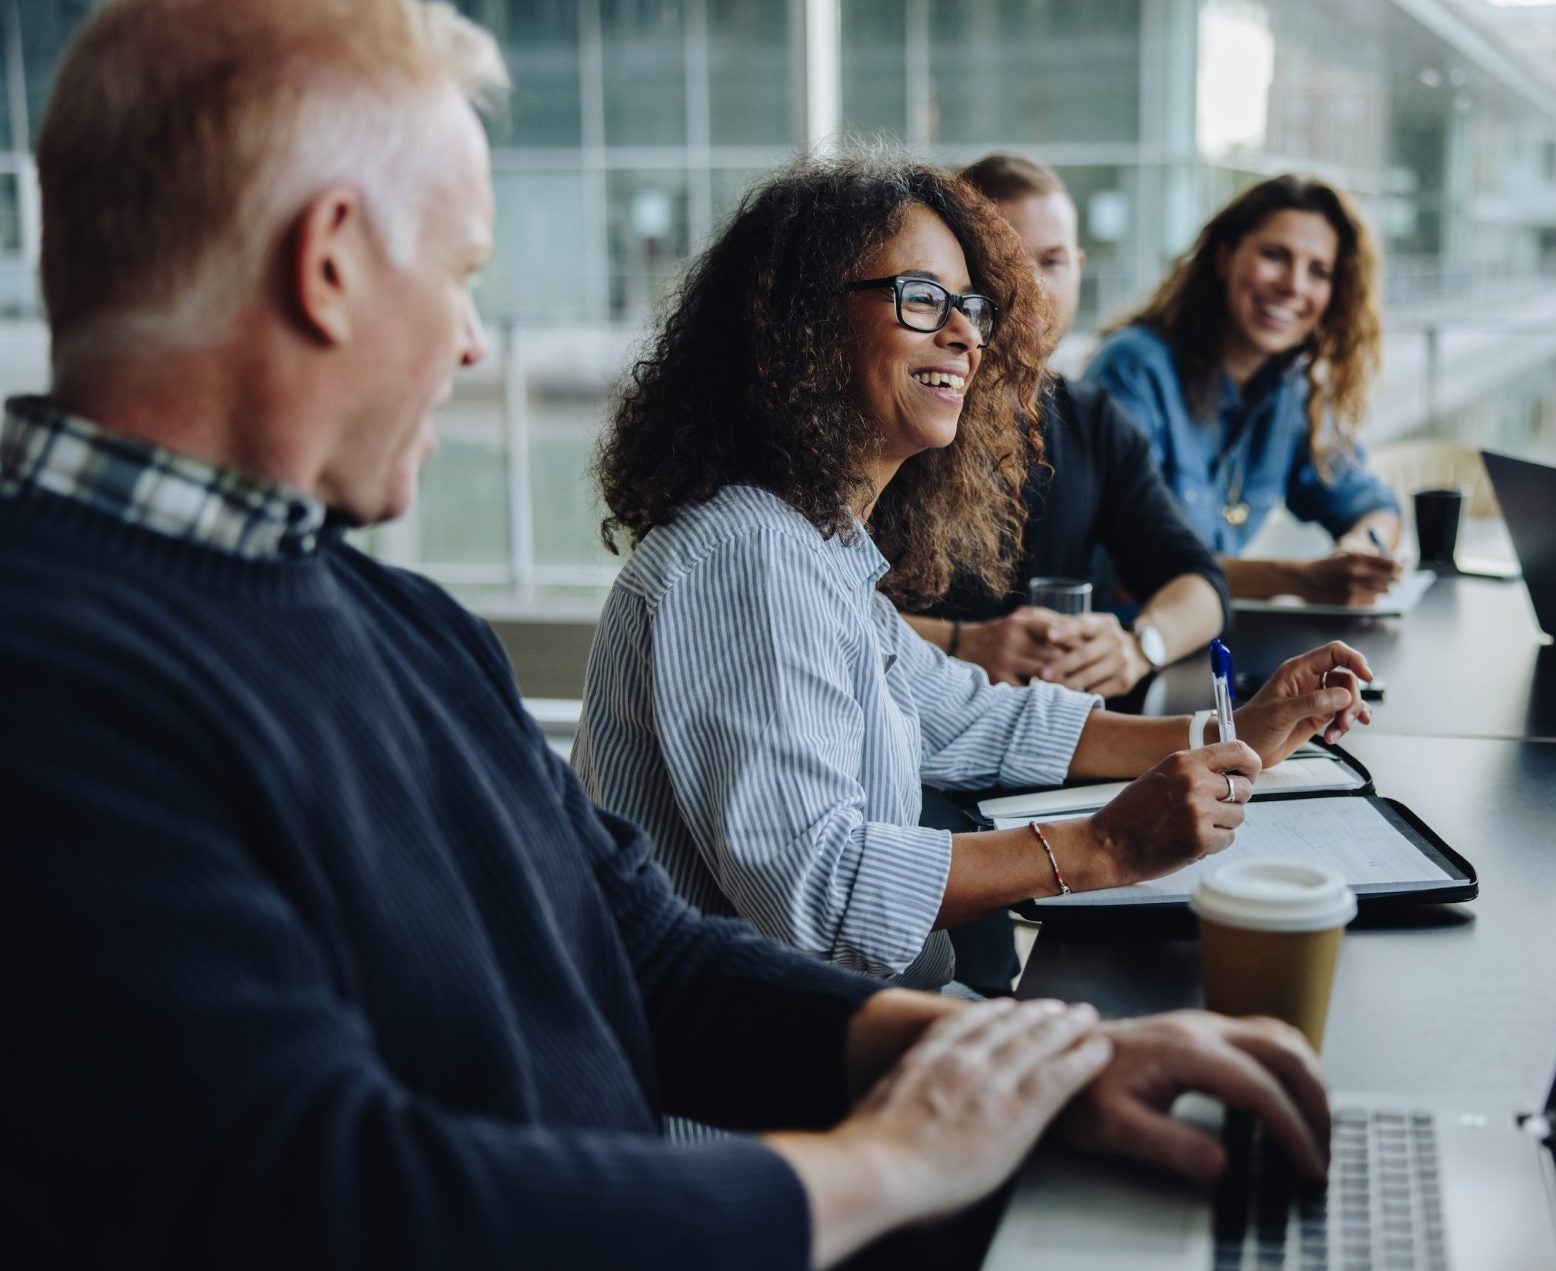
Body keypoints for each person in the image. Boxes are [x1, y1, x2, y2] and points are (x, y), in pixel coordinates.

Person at [0, 3, 1335, 1265]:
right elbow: (336, 1197)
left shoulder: (393, 618)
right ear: (332, 262)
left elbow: (647, 949)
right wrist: (891, 1162)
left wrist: (1019, 1060)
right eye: (466, 274)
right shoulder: (52, 683)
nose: (471, 344)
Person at [574, 151, 1374, 996]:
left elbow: (978, 720)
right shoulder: (748, 556)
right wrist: (1105, 845)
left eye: (970, 306)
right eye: (921, 299)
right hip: (759, 1096)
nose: (964, 333)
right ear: (800, 326)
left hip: (853, 1026)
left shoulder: (815, 544)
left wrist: (1230, 734)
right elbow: (819, 894)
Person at [900, 154, 1226, 701]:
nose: (1028, 289)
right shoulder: (905, 412)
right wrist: (962, 643)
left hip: (1059, 744)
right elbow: (819, 605)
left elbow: (1201, 584)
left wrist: (1140, 645)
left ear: (1077, 268)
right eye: (1000, 264)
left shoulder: (1093, 421)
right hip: (919, 741)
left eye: (1049, 262)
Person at [1083, 175, 1403, 605]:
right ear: (1223, 258)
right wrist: (1302, 579)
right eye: (1275, 256)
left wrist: (1362, 551)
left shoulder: (1290, 389)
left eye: (1318, 271)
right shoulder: (1135, 369)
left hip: (1210, 641)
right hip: (1120, 647)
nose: (1294, 286)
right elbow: (1127, 572)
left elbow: (1373, 504)